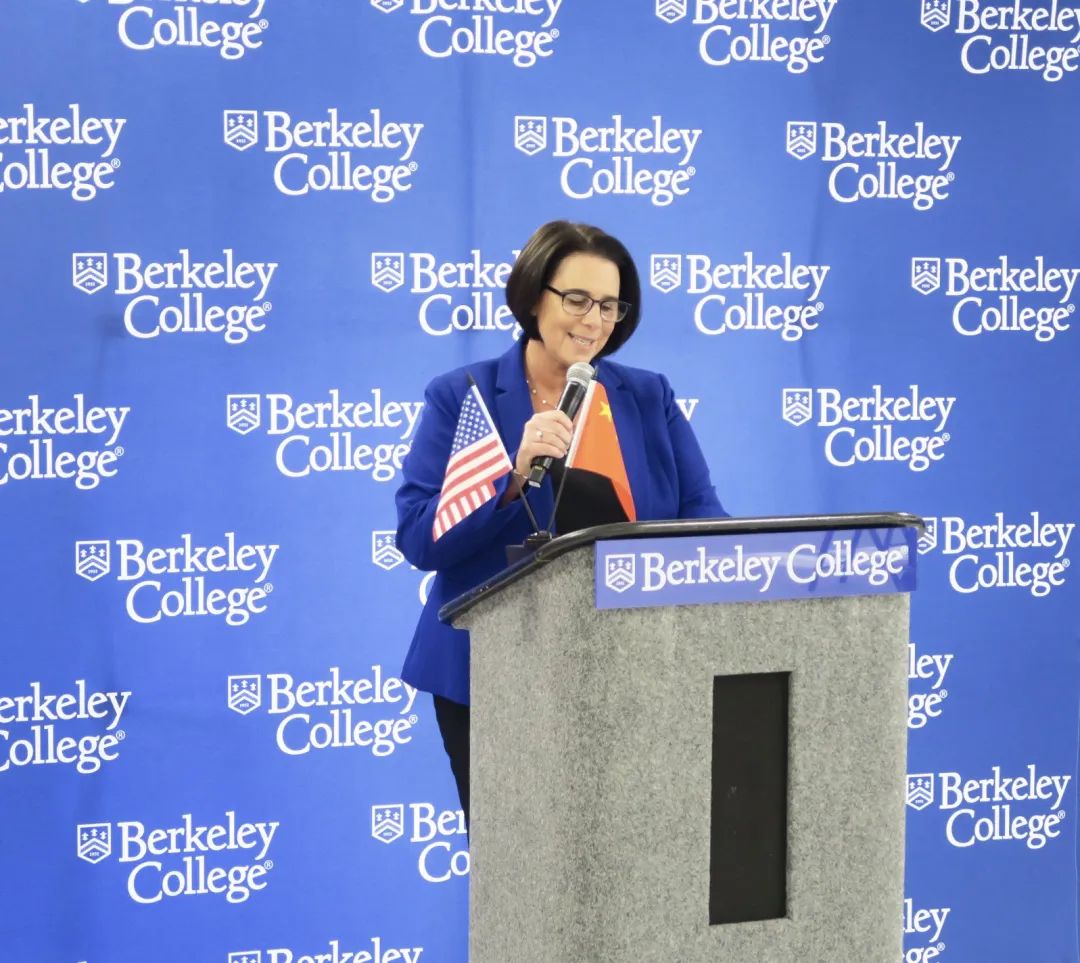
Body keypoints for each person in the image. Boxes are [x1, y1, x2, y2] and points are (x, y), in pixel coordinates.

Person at [394, 220, 726, 825]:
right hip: (492, 672)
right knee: (515, 857)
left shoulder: (647, 396)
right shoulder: (464, 396)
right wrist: (512, 477)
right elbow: (420, 537)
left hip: (629, 667)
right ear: (533, 298)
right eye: (576, 299)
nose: (593, 320)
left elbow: (703, 517)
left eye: (609, 305)